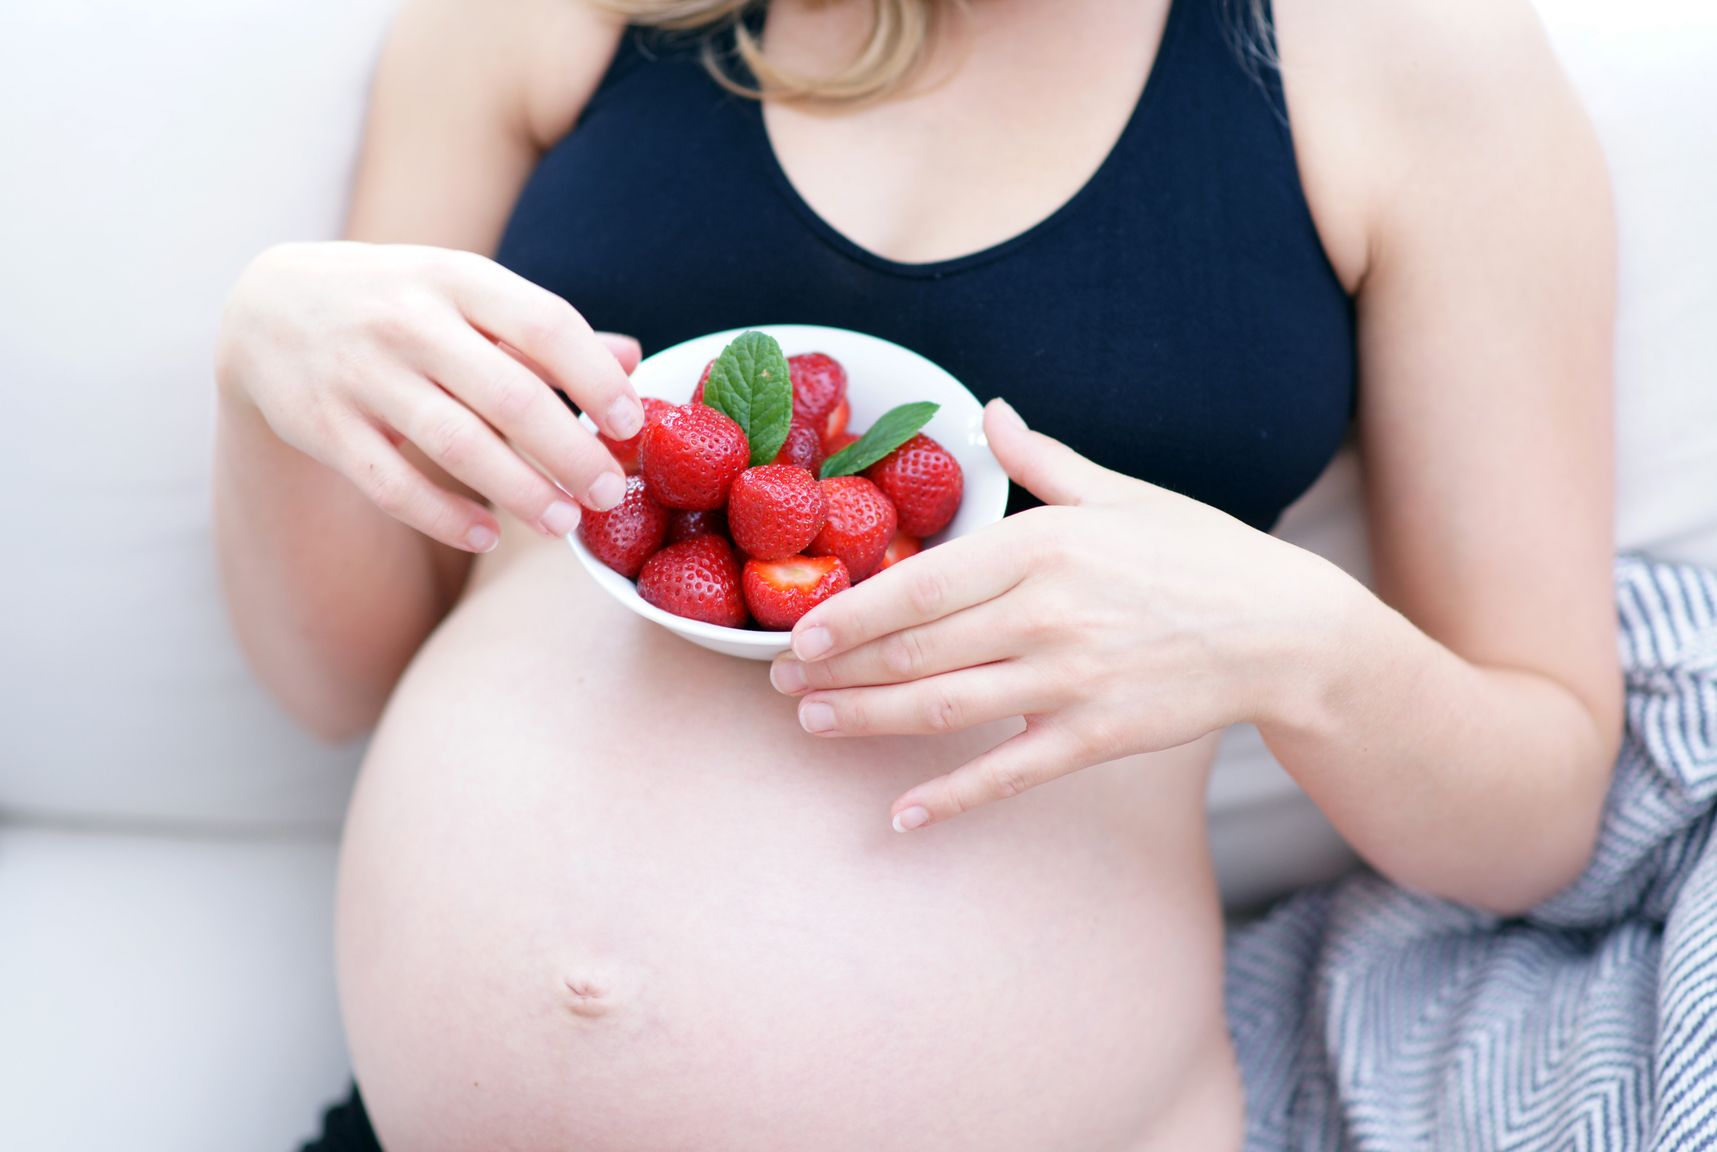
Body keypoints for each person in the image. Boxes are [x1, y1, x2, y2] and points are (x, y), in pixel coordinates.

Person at [213, 0, 1620, 1147]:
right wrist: (266, 363)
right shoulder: (553, 16)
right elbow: (339, 676)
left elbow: (1535, 815)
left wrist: (1307, 648)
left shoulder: (1413, 62)